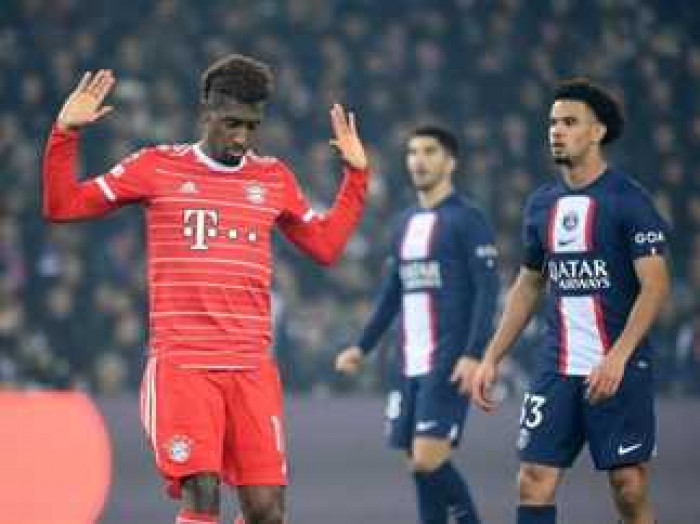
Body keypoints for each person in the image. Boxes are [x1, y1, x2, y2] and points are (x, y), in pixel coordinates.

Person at [43, 54, 370, 524]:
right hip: (185, 365)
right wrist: (65, 134)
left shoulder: (273, 177)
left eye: (252, 126)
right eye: (231, 123)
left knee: (267, 512)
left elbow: (325, 245)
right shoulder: (156, 166)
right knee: (203, 491)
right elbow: (64, 205)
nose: (242, 138)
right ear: (206, 112)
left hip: (251, 367)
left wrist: (356, 178)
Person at [469, 78, 671, 524]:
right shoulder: (542, 205)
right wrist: (491, 357)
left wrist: (617, 357)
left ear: (597, 132)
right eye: (553, 123)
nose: (556, 131)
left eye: (569, 122)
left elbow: (656, 286)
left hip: (618, 365)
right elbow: (528, 285)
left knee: (629, 485)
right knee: (533, 479)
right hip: (557, 366)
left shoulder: (629, 200)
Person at [336, 126, 499, 524]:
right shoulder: (404, 223)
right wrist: (362, 346)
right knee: (418, 466)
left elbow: (488, 290)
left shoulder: (468, 219)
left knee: (428, 459)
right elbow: (391, 292)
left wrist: (474, 354)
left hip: (448, 361)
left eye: (429, 151)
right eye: (412, 152)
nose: (419, 161)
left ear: (450, 162)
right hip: (407, 363)